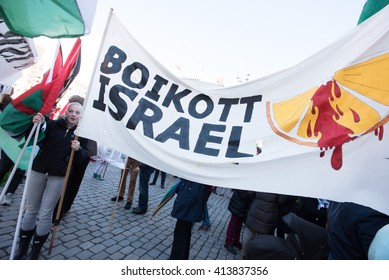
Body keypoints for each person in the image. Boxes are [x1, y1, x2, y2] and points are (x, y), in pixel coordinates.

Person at [13, 102, 89, 260]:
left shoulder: (82, 134)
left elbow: (83, 159)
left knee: (47, 212)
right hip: (38, 171)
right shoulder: (52, 125)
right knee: (32, 209)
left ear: (81, 116)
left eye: (77, 113)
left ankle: (35, 250)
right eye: (71, 111)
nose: (74, 115)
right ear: (66, 112)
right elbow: (33, 138)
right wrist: (34, 124)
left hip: (58, 176)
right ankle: (23, 246)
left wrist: (79, 149)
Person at [52, 95, 97, 222]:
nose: (72, 112)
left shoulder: (87, 119)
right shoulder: (72, 115)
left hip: (84, 152)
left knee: (73, 181)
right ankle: (61, 206)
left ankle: (63, 207)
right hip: (73, 151)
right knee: (68, 180)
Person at [169, 179, 211, 260]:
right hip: (193, 190)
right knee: (185, 230)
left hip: (192, 190)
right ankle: (182, 257)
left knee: (181, 231)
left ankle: (176, 259)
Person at [0, 91, 26, 206]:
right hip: (12, 143)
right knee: (3, 167)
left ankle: (9, 193)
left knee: (19, 171)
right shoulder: (17, 108)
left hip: (26, 145)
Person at [242, 191, 279, 259]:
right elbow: (281, 200)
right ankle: (257, 257)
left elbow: (251, 192)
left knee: (249, 233)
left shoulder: (261, 180)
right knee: (263, 239)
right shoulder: (280, 185)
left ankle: (244, 255)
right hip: (268, 215)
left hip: (255, 210)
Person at [224, 189, 254, 255]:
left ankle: (235, 241)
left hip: (243, 204)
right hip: (239, 203)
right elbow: (242, 192)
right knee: (233, 223)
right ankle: (228, 242)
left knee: (239, 223)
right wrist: (250, 194)